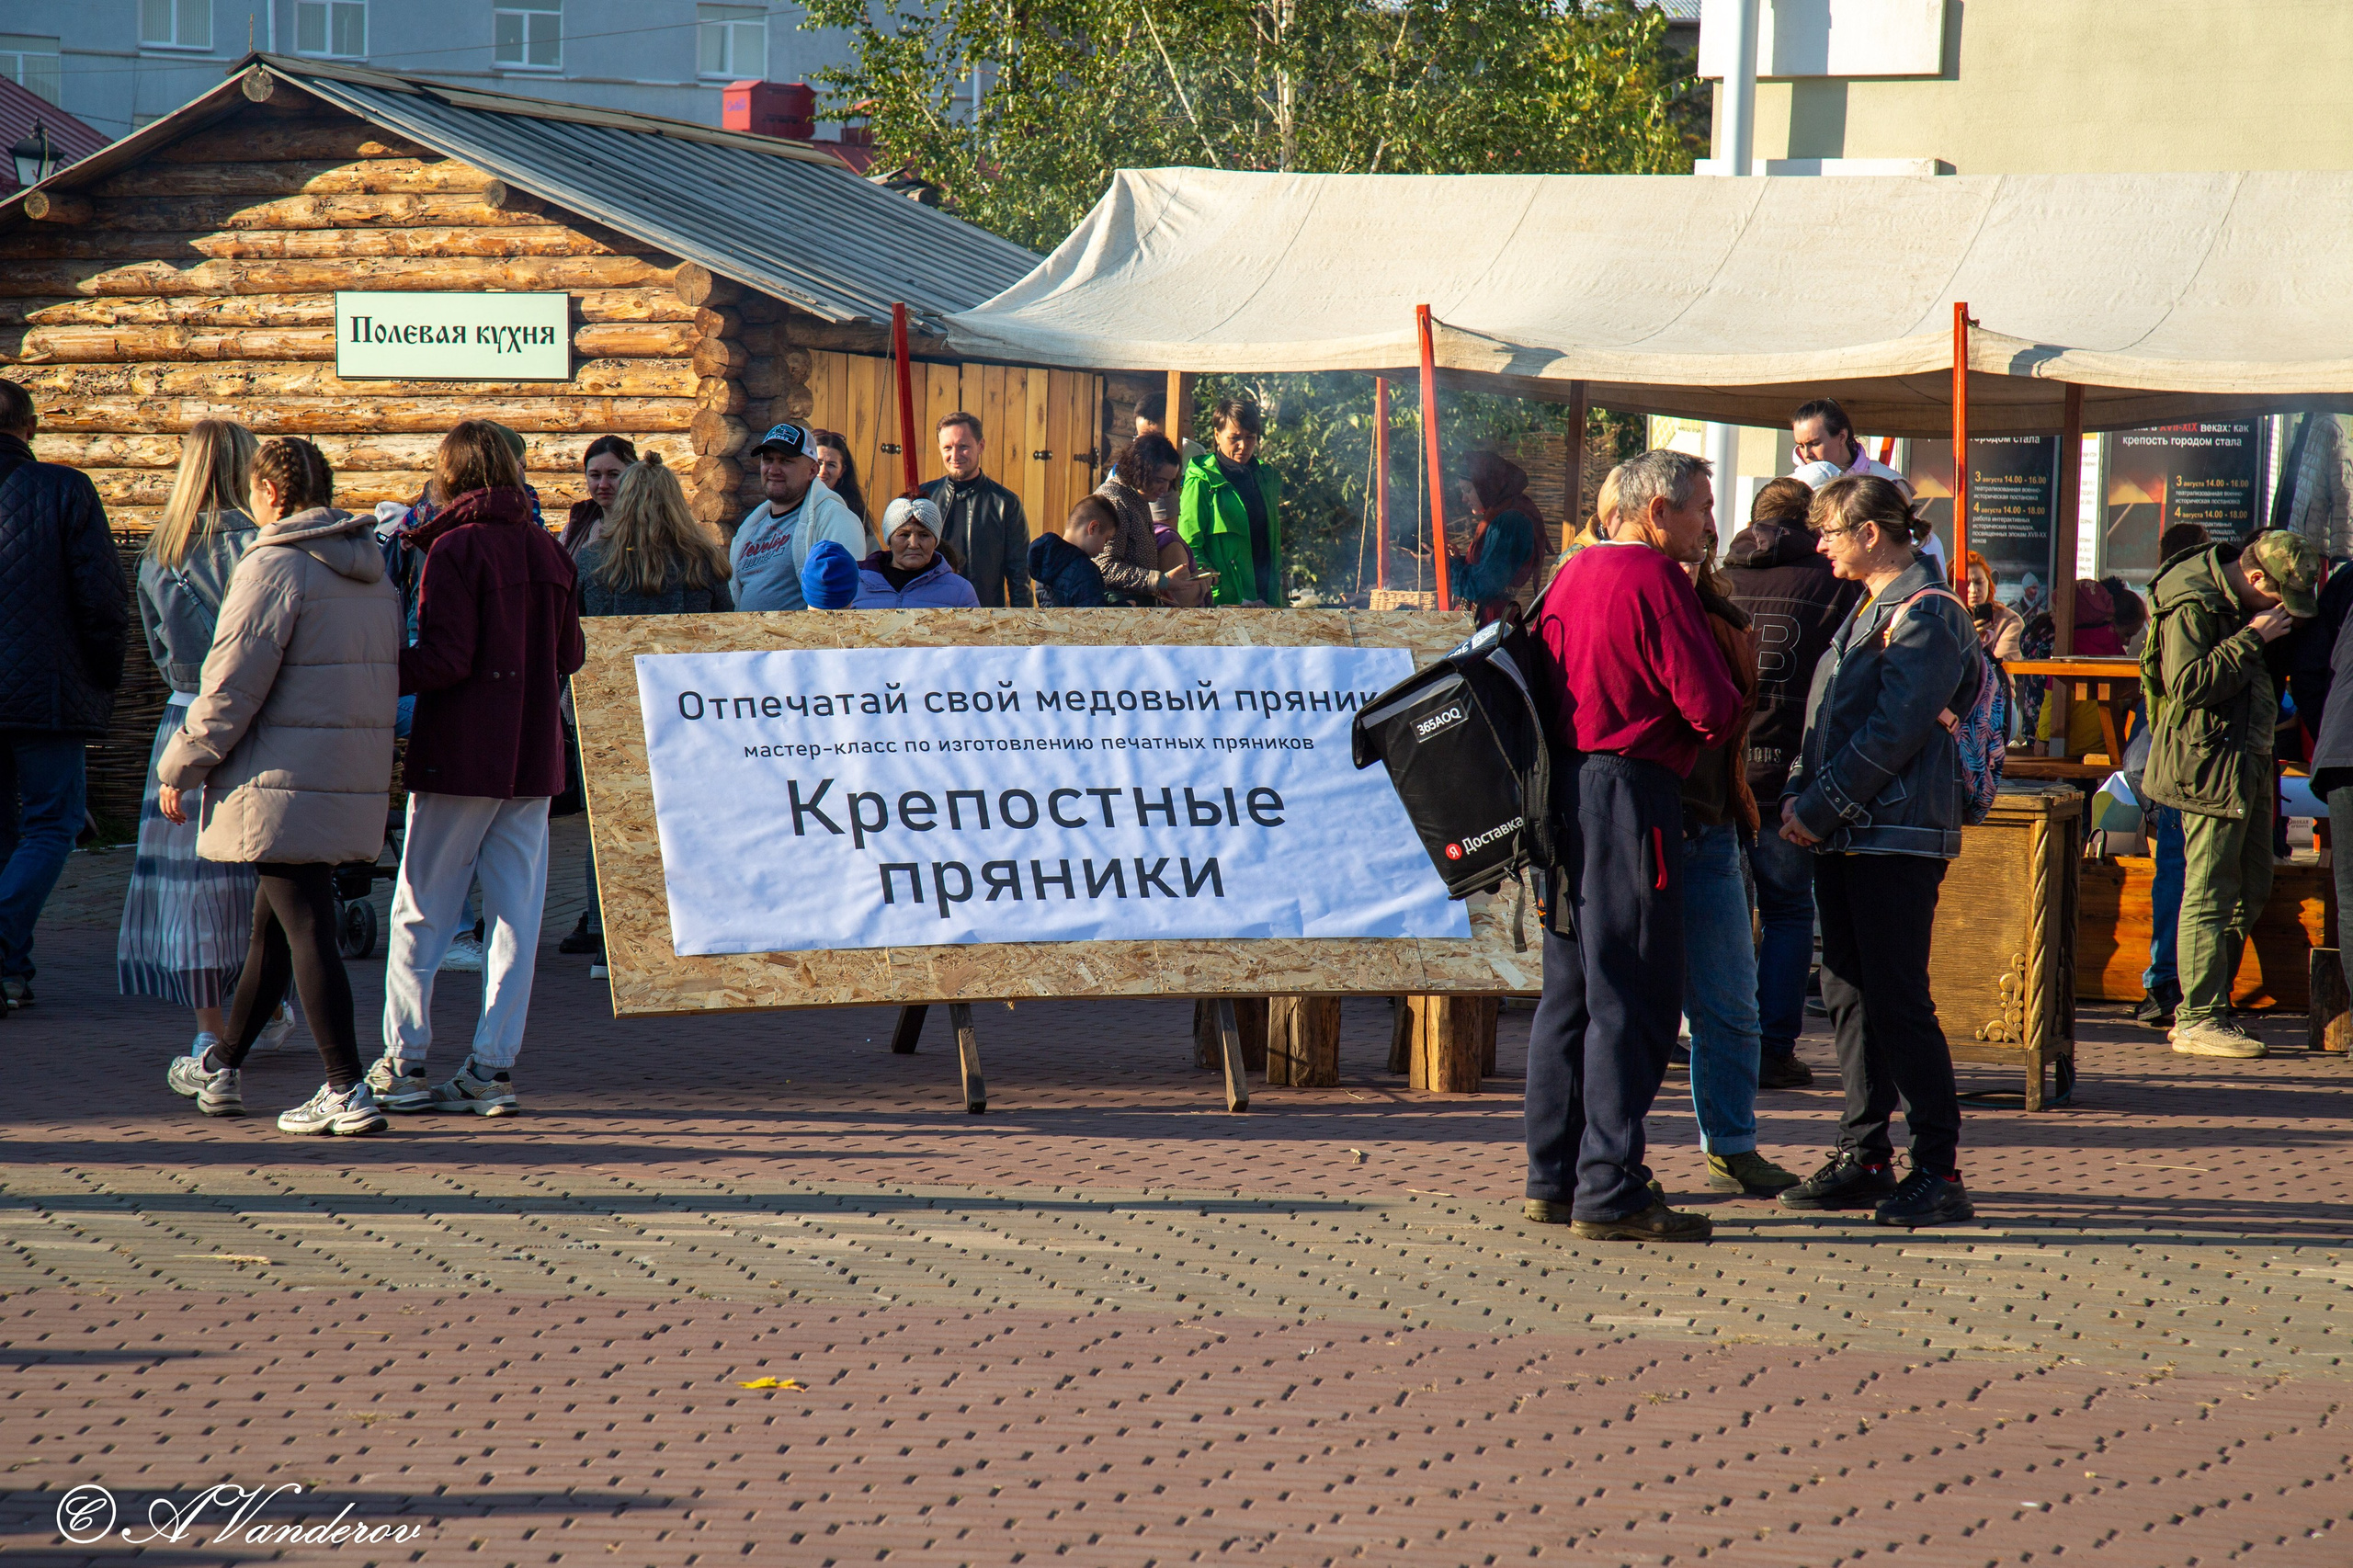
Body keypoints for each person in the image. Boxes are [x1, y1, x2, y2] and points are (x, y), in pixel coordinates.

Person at [1524, 450, 1741, 1243]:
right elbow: (1711, 706)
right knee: (1634, 995)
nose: (1709, 525)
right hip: (1628, 794)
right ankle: (1609, 1186)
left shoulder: (1567, 575)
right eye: (1701, 509)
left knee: (1572, 993)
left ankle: (1553, 1175)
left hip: (1565, 795)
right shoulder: (1652, 581)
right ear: (1657, 513)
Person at [159, 437, 402, 1134]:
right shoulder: (369, 567)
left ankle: (345, 1086)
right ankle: (224, 1064)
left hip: (278, 777)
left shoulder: (272, 565)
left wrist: (182, 763)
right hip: (341, 773)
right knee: (275, 926)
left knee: (306, 929)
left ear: (268, 493)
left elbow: (231, 681)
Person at [1773, 475, 1980, 1228]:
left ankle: (1939, 1167)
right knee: (1850, 995)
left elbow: (1895, 730)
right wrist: (1804, 799)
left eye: (1828, 530)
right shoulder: (1870, 609)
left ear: (1870, 533)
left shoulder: (1928, 613)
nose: (1818, 543)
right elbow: (1825, 719)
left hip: (1894, 835)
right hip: (1852, 832)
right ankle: (1864, 1153)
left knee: (1896, 999)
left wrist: (1818, 809)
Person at [367, 421, 585, 1119]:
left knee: (420, 910)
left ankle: (403, 1060)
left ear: (450, 473)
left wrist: (370, 667)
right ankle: (493, 1067)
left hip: (461, 752)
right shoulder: (552, 552)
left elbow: (446, 660)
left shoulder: (452, 550)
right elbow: (571, 655)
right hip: (531, 756)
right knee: (517, 918)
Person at [118, 419, 294, 1058]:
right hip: (260, 716)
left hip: (185, 717)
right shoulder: (267, 546)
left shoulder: (160, 552)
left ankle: (208, 1027)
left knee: (189, 885)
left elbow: (158, 647)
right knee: (263, 875)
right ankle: (270, 999)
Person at [2140, 528, 2319, 1059]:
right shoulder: (2192, 603)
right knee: (2210, 888)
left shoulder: (2239, 600)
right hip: (2208, 762)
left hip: (2248, 758)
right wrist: (2254, 638)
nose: (2283, 612)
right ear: (2256, 576)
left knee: (2252, 885)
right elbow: (2189, 684)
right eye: (2278, 598)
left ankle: (2210, 1003)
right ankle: (2198, 1017)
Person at [1720, 474, 1859, 1090]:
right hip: (1787, 772)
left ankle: (1711, 1036)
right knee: (1785, 912)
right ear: (1812, 525)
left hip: (1723, 769)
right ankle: (1773, 1047)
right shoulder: (1833, 581)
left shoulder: (1721, 580)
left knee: (1719, 909)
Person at [1676, 528, 1799, 1197]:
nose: (1703, 535)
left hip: (1714, 820)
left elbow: (1724, 718)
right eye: (1697, 518)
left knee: (1730, 1003)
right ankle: (1597, 1158)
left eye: (1707, 525)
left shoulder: (1720, 612)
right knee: (1620, 1009)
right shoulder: (1620, 597)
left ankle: (1731, 1145)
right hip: (1639, 828)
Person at [571, 455, 733, 960]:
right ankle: (693, 926)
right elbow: (725, 638)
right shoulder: (704, 564)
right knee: (685, 821)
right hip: (687, 712)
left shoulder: (591, 565)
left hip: (610, 708)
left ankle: (610, 939)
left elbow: (570, 638)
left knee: (612, 826)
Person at [0, 378, 127, 1010]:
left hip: (40, 689)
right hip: (45, 692)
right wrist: (103, 674)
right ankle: (3, 952)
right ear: (29, 427)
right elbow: (101, 598)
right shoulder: (63, 488)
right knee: (52, 822)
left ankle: (10, 968)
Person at [2134, 522, 2214, 1028]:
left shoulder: (2158, 602)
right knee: (2199, 876)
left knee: (2174, 871)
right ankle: (2189, 987)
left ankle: (2164, 983)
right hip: (2197, 753)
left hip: (2165, 752)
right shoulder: (2199, 602)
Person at [731, 422, 870, 612]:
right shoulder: (750, 528)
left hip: (805, 640)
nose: (773, 470)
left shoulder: (836, 519)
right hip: (746, 639)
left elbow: (847, 598)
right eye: (768, 460)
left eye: (786, 461)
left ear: (812, 470)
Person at [1790, 399, 1937, 572]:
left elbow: (1910, 546)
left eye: (1814, 443)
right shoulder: (1793, 485)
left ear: (1842, 437)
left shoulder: (1887, 481)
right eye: (1800, 445)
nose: (1807, 454)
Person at [1179, 398, 1282, 608]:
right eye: (1234, 438)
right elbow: (1189, 545)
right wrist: (1216, 588)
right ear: (1217, 435)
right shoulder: (1201, 480)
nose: (1243, 446)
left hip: (1266, 597)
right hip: (1225, 603)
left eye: (1250, 437)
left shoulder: (1266, 477)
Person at [924, 413, 1033, 608]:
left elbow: (1019, 575)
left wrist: (1022, 626)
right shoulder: (925, 498)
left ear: (980, 446)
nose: (955, 456)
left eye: (963, 447)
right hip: (930, 615)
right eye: (947, 447)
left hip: (984, 617)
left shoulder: (1005, 503)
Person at [1094, 434, 1196, 605]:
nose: (1165, 489)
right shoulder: (1115, 502)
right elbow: (1104, 567)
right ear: (1140, 470)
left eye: (1170, 482)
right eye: (1160, 480)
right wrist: (1158, 581)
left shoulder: (1138, 497)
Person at [2033, 580, 2127, 755]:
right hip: (2105, 742)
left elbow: (2053, 697)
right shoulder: (2113, 642)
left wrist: (2043, 737)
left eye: (2057, 610)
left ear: (2074, 614)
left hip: (2071, 743)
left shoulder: (2069, 647)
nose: (2052, 615)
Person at [1452, 450, 1543, 627]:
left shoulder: (1512, 523)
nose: (1464, 499)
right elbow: (1487, 568)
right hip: (1488, 620)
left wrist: (1449, 566)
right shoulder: (1499, 517)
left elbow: (1483, 584)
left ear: (1486, 486)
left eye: (1468, 490)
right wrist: (1457, 560)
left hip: (1493, 627)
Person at [854, 496, 983, 608]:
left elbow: (976, 635)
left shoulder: (959, 591)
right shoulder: (855, 584)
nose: (914, 544)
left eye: (924, 535)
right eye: (904, 535)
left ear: (935, 541)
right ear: (889, 540)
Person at [1029, 495, 1120, 608]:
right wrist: (1122, 606)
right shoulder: (1085, 570)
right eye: (1106, 540)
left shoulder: (1045, 563)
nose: (1102, 550)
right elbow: (1094, 620)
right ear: (1093, 527)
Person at [1131, 392, 1204, 528]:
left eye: (1153, 436)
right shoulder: (1131, 460)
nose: (1146, 444)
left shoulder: (1194, 455)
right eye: (1139, 436)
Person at [561, 435, 636, 558]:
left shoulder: (648, 528)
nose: (603, 485)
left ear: (632, 476)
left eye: (613, 475)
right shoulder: (576, 528)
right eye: (595, 475)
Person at [810, 429, 872, 543]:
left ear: (842, 471)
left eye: (831, 465)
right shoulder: (790, 501)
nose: (823, 471)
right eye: (819, 463)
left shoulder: (854, 512)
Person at [1963, 551, 2026, 661]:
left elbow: (1999, 671)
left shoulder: (2010, 621)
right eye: (1966, 584)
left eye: (1979, 582)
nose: (1973, 590)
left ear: (1989, 583)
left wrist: (1974, 640)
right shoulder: (1945, 619)